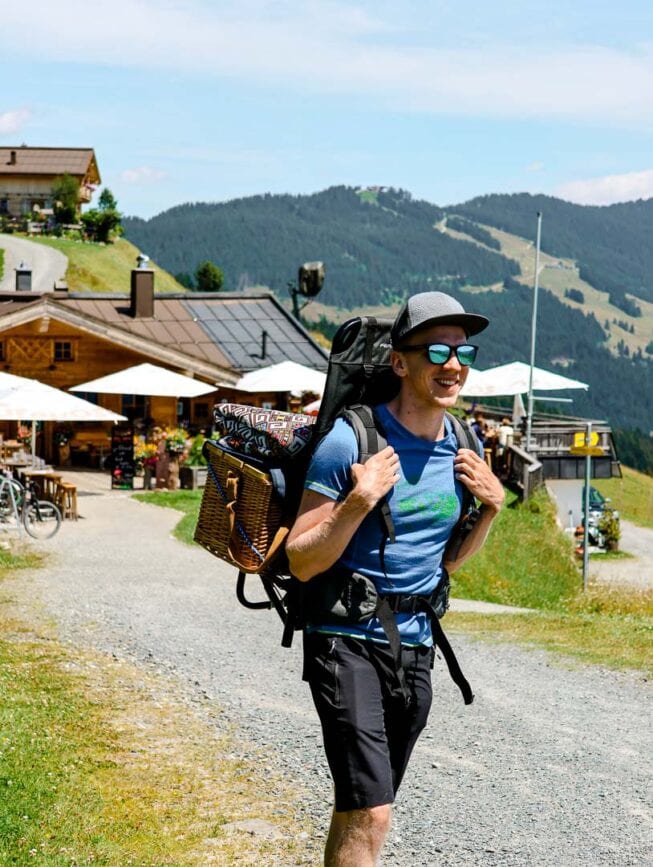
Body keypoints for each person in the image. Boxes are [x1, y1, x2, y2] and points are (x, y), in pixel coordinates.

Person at [286, 291, 506, 866]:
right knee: (373, 810)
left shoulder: (464, 443)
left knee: (365, 804)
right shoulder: (351, 440)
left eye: (462, 352)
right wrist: (356, 501)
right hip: (344, 637)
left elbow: (449, 563)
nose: (452, 365)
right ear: (399, 362)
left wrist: (490, 510)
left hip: (415, 643)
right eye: (435, 350)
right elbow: (302, 559)